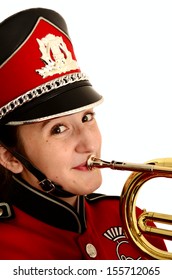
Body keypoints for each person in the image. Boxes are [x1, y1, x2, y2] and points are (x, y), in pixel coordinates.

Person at [0, 7, 167, 260]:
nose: (88, 144)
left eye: (87, 117)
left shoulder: (132, 222)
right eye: (59, 129)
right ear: (10, 157)